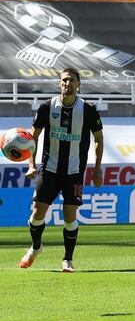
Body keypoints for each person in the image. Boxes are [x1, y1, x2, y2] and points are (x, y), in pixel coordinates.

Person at [19, 67, 104, 273]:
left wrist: (97, 168)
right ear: (60, 83)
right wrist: (31, 165)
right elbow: (33, 138)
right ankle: (36, 247)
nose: (67, 83)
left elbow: (99, 139)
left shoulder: (89, 110)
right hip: (49, 170)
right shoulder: (48, 107)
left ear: (78, 84)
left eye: (71, 80)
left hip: (74, 171)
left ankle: (67, 259)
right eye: (64, 80)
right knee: (37, 213)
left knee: (69, 216)